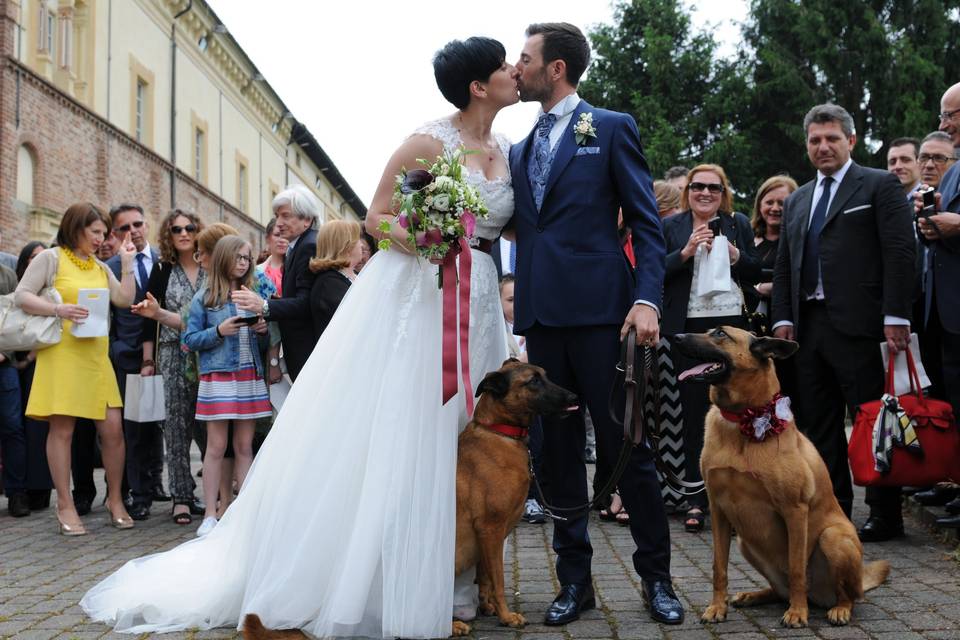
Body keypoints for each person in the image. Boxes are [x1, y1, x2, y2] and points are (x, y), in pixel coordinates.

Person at [81, 36, 515, 636]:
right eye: (504, 66)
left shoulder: (507, 147)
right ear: (477, 84)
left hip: (480, 295)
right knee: (412, 429)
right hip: (424, 295)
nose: (515, 72)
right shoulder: (427, 141)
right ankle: (390, 577)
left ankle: (459, 573)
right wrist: (430, 240)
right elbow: (377, 215)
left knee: (466, 432)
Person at [509, 23, 682, 625]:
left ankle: (657, 580)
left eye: (524, 58)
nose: (516, 67)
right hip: (540, 320)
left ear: (555, 68)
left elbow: (645, 222)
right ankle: (573, 582)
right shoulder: (519, 147)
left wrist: (648, 300)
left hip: (603, 317)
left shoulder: (609, 128)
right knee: (556, 454)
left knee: (626, 448)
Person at [771, 104, 915, 542]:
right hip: (808, 329)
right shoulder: (797, 199)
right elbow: (784, 266)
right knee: (819, 427)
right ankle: (832, 513)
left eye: (832, 138)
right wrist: (781, 318)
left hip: (864, 327)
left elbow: (899, 253)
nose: (823, 146)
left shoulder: (878, 185)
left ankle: (886, 516)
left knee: (874, 422)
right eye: (815, 139)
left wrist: (896, 316)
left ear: (851, 141)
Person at [15, 203, 137, 535]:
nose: (102, 239)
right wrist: (58, 308)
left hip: (96, 357)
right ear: (76, 228)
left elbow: (125, 299)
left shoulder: (100, 266)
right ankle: (66, 506)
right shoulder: (51, 258)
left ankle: (115, 500)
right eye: (95, 231)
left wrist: (127, 265)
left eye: (104, 233)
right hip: (62, 355)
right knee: (63, 431)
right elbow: (22, 296)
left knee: (113, 430)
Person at [662, 164, 760, 533]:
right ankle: (696, 499)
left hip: (732, 330)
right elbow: (655, 269)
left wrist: (736, 257)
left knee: (736, 413)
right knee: (693, 416)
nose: (705, 193)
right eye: (698, 186)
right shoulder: (672, 226)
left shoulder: (738, 224)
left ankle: (740, 500)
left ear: (724, 193)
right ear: (687, 190)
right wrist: (686, 251)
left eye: (714, 188)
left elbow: (757, 271)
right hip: (688, 330)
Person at [183, 236, 272, 537]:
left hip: (249, 375)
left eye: (247, 258)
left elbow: (263, 340)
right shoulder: (205, 297)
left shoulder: (251, 294)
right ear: (223, 258)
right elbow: (189, 340)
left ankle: (243, 514)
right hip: (219, 377)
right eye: (238, 257)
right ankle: (210, 514)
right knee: (216, 446)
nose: (243, 262)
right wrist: (219, 331)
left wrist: (261, 330)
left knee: (245, 446)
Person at [132, 209, 206, 525]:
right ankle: (181, 497)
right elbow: (149, 321)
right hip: (171, 355)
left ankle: (214, 488)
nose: (184, 233)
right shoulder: (162, 269)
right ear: (169, 235)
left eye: (190, 228)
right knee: (175, 426)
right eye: (177, 230)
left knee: (208, 424)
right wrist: (148, 361)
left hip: (207, 354)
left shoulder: (209, 266)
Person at [917, 83, 960, 527]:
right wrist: (928, 226)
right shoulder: (952, 173)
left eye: (950, 116)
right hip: (944, 309)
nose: (944, 125)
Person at [106, 204, 164, 521]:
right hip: (127, 355)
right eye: (125, 227)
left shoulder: (163, 260)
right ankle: (136, 494)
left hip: (165, 352)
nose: (134, 231)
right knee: (134, 428)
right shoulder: (110, 266)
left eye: (138, 223)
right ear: (116, 233)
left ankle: (155, 482)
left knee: (156, 423)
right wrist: (117, 347)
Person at [233, 186, 319, 382]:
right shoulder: (298, 247)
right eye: (277, 216)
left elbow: (305, 302)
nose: (279, 223)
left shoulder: (308, 246)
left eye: (286, 216)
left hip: (306, 350)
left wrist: (263, 305)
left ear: (307, 220)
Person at [13, 241, 53, 512]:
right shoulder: (17, 292)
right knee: (18, 429)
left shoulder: (53, 293)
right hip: (16, 367)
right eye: (33, 258)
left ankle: (40, 488)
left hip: (42, 365)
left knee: (41, 429)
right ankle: (18, 488)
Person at [0, 260, 30, 517]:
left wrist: (5, 351)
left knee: (12, 428)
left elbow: (15, 315)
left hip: (3, 364)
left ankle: (16, 493)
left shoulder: (7, 275)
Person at [746, 175, 799, 316]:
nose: (775, 208)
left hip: (785, 318)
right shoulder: (746, 237)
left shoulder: (799, 242)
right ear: (759, 205)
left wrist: (762, 288)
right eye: (769, 202)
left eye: (782, 203)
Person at [308, 220, 362, 340]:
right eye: (357, 239)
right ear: (346, 246)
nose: (361, 245)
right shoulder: (329, 284)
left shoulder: (354, 276)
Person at [256, 218, 287, 295]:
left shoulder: (296, 267)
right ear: (267, 238)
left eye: (285, 235)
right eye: (277, 235)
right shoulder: (257, 271)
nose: (282, 240)